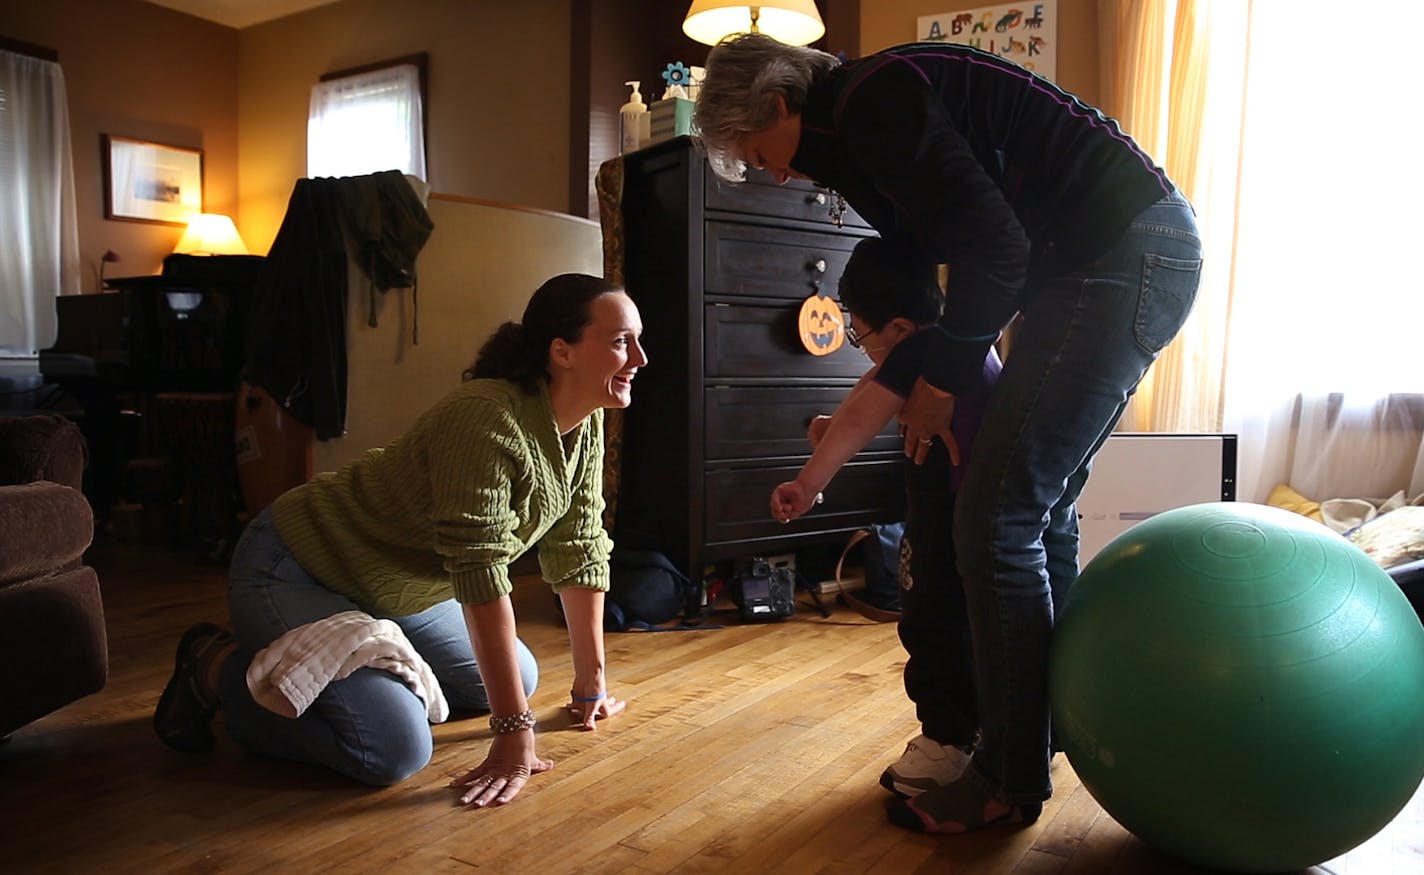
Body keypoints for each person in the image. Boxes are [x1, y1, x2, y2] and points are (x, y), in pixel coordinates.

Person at [698, 35, 1202, 833]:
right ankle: (1039, 732)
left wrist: (938, 385)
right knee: (1038, 513)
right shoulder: (857, 130)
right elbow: (941, 260)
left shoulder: (872, 105)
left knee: (997, 519)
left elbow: (993, 252)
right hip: (1117, 254)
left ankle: (1005, 777)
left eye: (759, 154)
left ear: (774, 105)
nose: (773, 174)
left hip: (1119, 254)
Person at [153, 273, 645, 809]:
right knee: (392, 748)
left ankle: (368, 671)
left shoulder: (586, 421)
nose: (639, 358)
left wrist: (590, 685)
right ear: (562, 352)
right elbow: (480, 572)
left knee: (515, 678)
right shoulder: (486, 417)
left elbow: (579, 546)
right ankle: (213, 665)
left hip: (397, 588)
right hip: (297, 565)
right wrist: (512, 734)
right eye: (622, 341)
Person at [769, 236, 1000, 799]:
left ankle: (945, 740)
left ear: (897, 329)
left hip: (944, 518)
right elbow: (863, 401)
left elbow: (861, 416)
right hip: (981, 513)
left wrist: (808, 482)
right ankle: (989, 730)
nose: (859, 344)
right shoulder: (966, 345)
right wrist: (832, 427)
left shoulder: (920, 351)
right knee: (971, 626)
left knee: (927, 620)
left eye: (859, 332)